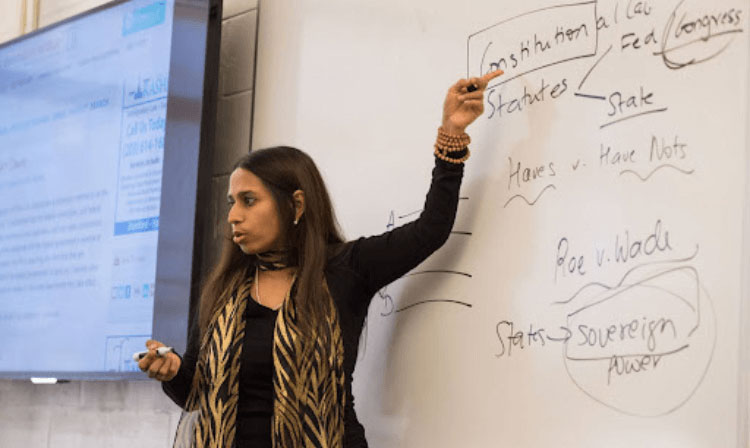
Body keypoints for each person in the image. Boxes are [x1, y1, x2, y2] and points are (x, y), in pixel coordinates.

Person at [138, 69, 503, 448]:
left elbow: (431, 230)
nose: (233, 215)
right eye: (232, 202)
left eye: (249, 200)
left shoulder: (347, 268)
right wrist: (174, 371)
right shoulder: (223, 290)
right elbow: (196, 395)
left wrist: (452, 134)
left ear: (295, 204)